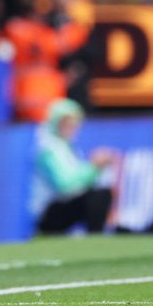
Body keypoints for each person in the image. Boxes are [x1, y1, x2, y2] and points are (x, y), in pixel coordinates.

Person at [34, 99, 115, 235]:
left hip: (64, 206)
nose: (71, 128)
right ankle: (95, 237)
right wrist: (94, 167)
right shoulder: (47, 150)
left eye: (74, 124)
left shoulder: (68, 147)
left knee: (101, 193)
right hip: (49, 212)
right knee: (99, 196)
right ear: (55, 123)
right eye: (66, 123)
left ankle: (97, 235)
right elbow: (64, 185)